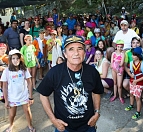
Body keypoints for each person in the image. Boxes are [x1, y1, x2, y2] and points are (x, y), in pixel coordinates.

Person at [37, 35, 104, 132]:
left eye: (80, 49)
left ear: (84, 53)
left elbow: (96, 92)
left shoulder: (92, 72)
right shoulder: (55, 72)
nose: (76, 53)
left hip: (88, 125)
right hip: (64, 127)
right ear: (65, 54)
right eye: (71, 49)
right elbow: (43, 95)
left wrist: (97, 112)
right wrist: (53, 119)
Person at [1, 49, 35, 132]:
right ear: (10, 59)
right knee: (12, 114)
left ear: (20, 59)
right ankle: (11, 125)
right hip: (12, 97)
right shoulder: (6, 71)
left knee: (27, 111)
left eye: (17, 58)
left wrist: (30, 96)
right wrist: (6, 100)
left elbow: (29, 83)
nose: (16, 60)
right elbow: (4, 87)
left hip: (24, 96)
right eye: (13, 58)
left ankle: (30, 125)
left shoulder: (24, 70)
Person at [125, 47, 143, 119]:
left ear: (138, 56)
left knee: (137, 98)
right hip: (132, 81)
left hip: (139, 83)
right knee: (131, 94)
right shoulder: (131, 63)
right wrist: (130, 75)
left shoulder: (141, 64)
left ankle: (138, 112)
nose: (132, 56)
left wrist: (136, 81)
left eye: (134, 55)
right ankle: (131, 105)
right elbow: (129, 70)